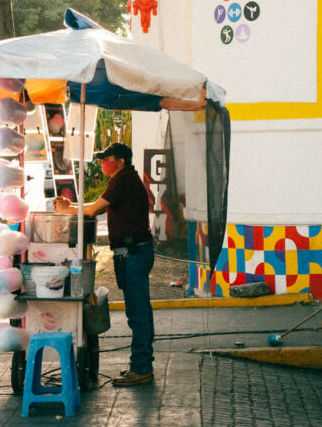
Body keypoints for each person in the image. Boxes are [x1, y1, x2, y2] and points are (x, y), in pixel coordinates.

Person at [52, 86, 207, 388]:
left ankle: (142, 368)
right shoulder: (123, 179)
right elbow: (92, 207)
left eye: (106, 159)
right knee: (139, 312)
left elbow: (93, 211)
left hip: (133, 253)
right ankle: (139, 365)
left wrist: (68, 209)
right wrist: (70, 206)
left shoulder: (123, 179)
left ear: (119, 161)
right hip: (132, 253)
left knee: (138, 314)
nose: (102, 163)